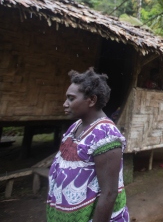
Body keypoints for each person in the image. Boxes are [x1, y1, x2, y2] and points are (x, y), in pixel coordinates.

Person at [47, 68, 129, 222]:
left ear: (91, 100)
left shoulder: (106, 136)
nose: (65, 104)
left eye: (71, 99)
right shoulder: (76, 126)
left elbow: (109, 194)